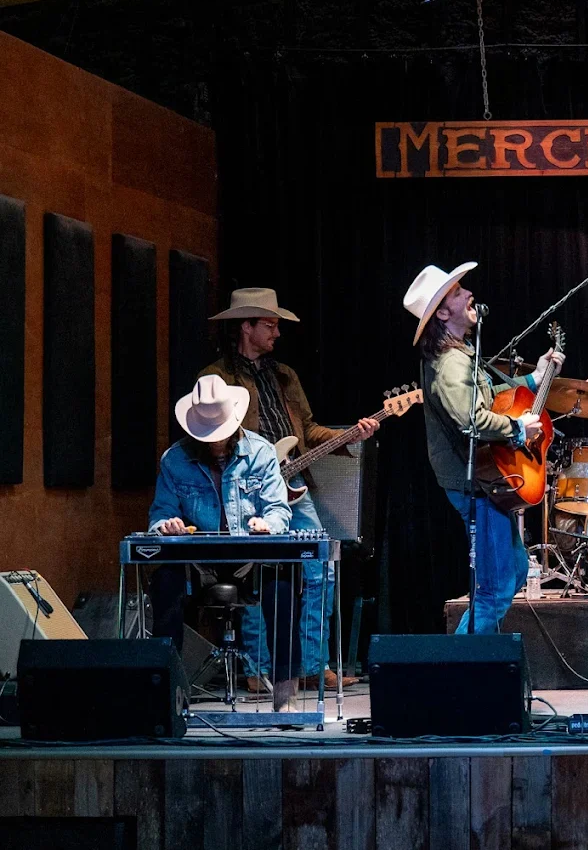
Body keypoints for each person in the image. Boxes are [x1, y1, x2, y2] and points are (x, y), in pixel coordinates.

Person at [203, 288, 378, 692]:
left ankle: (314, 665)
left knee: (322, 567)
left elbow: (308, 430)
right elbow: (209, 435)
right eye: (269, 325)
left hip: (293, 483)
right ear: (246, 326)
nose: (277, 333)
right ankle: (258, 669)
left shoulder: (284, 375)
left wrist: (351, 435)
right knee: (252, 575)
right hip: (244, 486)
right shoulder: (215, 378)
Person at [405, 263, 564, 634]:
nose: (468, 294)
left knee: (516, 569)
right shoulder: (451, 363)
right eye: (458, 292)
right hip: (476, 483)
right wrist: (517, 427)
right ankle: (463, 662)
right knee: (494, 589)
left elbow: (486, 396)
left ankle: (474, 657)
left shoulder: (460, 354)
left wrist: (533, 378)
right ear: (443, 314)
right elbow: (471, 420)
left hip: (484, 480)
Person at [148, 375, 301, 710]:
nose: (216, 441)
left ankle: (285, 692)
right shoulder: (174, 460)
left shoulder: (261, 453)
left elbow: (278, 508)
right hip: (198, 565)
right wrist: (167, 525)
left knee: (283, 583)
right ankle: (166, 695)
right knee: (164, 583)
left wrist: (269, 524)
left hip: (249, 564)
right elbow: (160, 513)